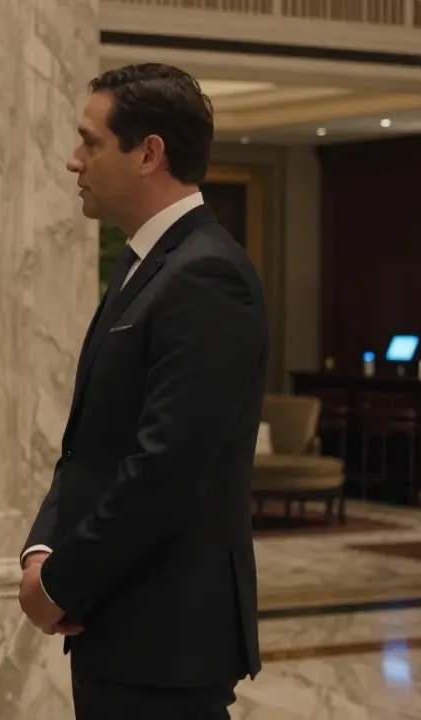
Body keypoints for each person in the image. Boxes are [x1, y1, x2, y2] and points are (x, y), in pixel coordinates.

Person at [16, 63, 266, 719]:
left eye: (91, 142)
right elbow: (92, 444)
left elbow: (166, 468)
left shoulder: (207, 275)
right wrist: (44, 547)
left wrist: (60, 583)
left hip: (168, 636)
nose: (75, 161)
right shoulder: (145, 263)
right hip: (121, 621)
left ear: (149, 152)